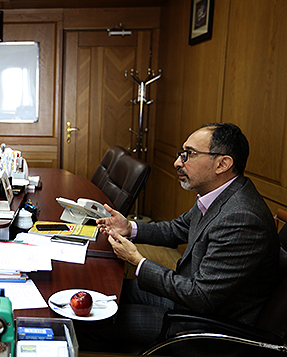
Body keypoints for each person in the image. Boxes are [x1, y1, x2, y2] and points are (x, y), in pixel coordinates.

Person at [94, 123, 280, 352]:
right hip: (186, 300)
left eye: (189, 154)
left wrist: (137, 261)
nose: (177, 162)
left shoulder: (242, 217)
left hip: (207, 326)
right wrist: (129, 227)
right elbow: (176, 229)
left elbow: (201, 296)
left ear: (222, 164)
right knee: (102, 293)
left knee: (94, 319)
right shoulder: (218, 194)